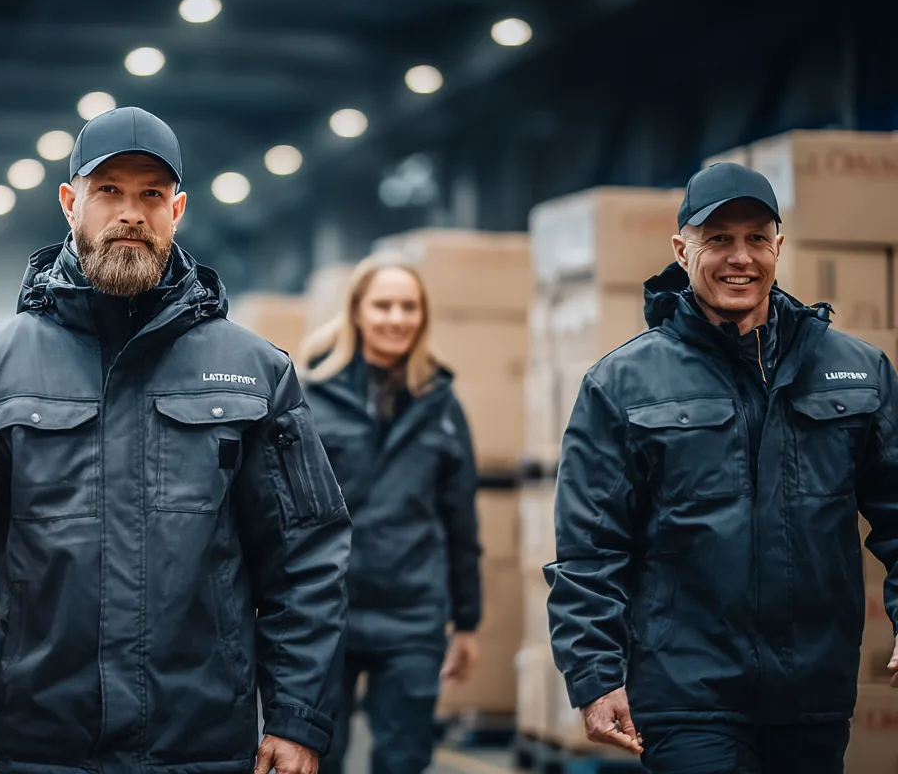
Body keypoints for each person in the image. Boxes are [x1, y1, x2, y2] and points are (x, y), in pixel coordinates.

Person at [0, 106, 352, 774]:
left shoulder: (255, 373)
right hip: (41, 742)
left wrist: (299, 714)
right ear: (71, 203)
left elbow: (304, 556)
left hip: (203, 745)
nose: (131, 212)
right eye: (109, 191)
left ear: (177, 210)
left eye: (151, 194)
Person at [544, 162, 898, 773]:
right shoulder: (624, 383)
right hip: (686, 693)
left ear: (779, 246)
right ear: (682, 250)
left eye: (757, 238)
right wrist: (595, 675)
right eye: (719, 240)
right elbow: (590, 547)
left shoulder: (857, 370)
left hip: (813, 690)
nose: (741, 258)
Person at [300, 256, 481, 774]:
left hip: (412, 617)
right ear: (356, 312)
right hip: (326, 613)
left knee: (403, 759)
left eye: (409, 306)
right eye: (383, 305)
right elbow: (284, 511)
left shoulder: (442, 404)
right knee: (314, 757)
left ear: (422, 316)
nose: (396, 318)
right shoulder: (313, 397)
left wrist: (466, 621)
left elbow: (460, 519)